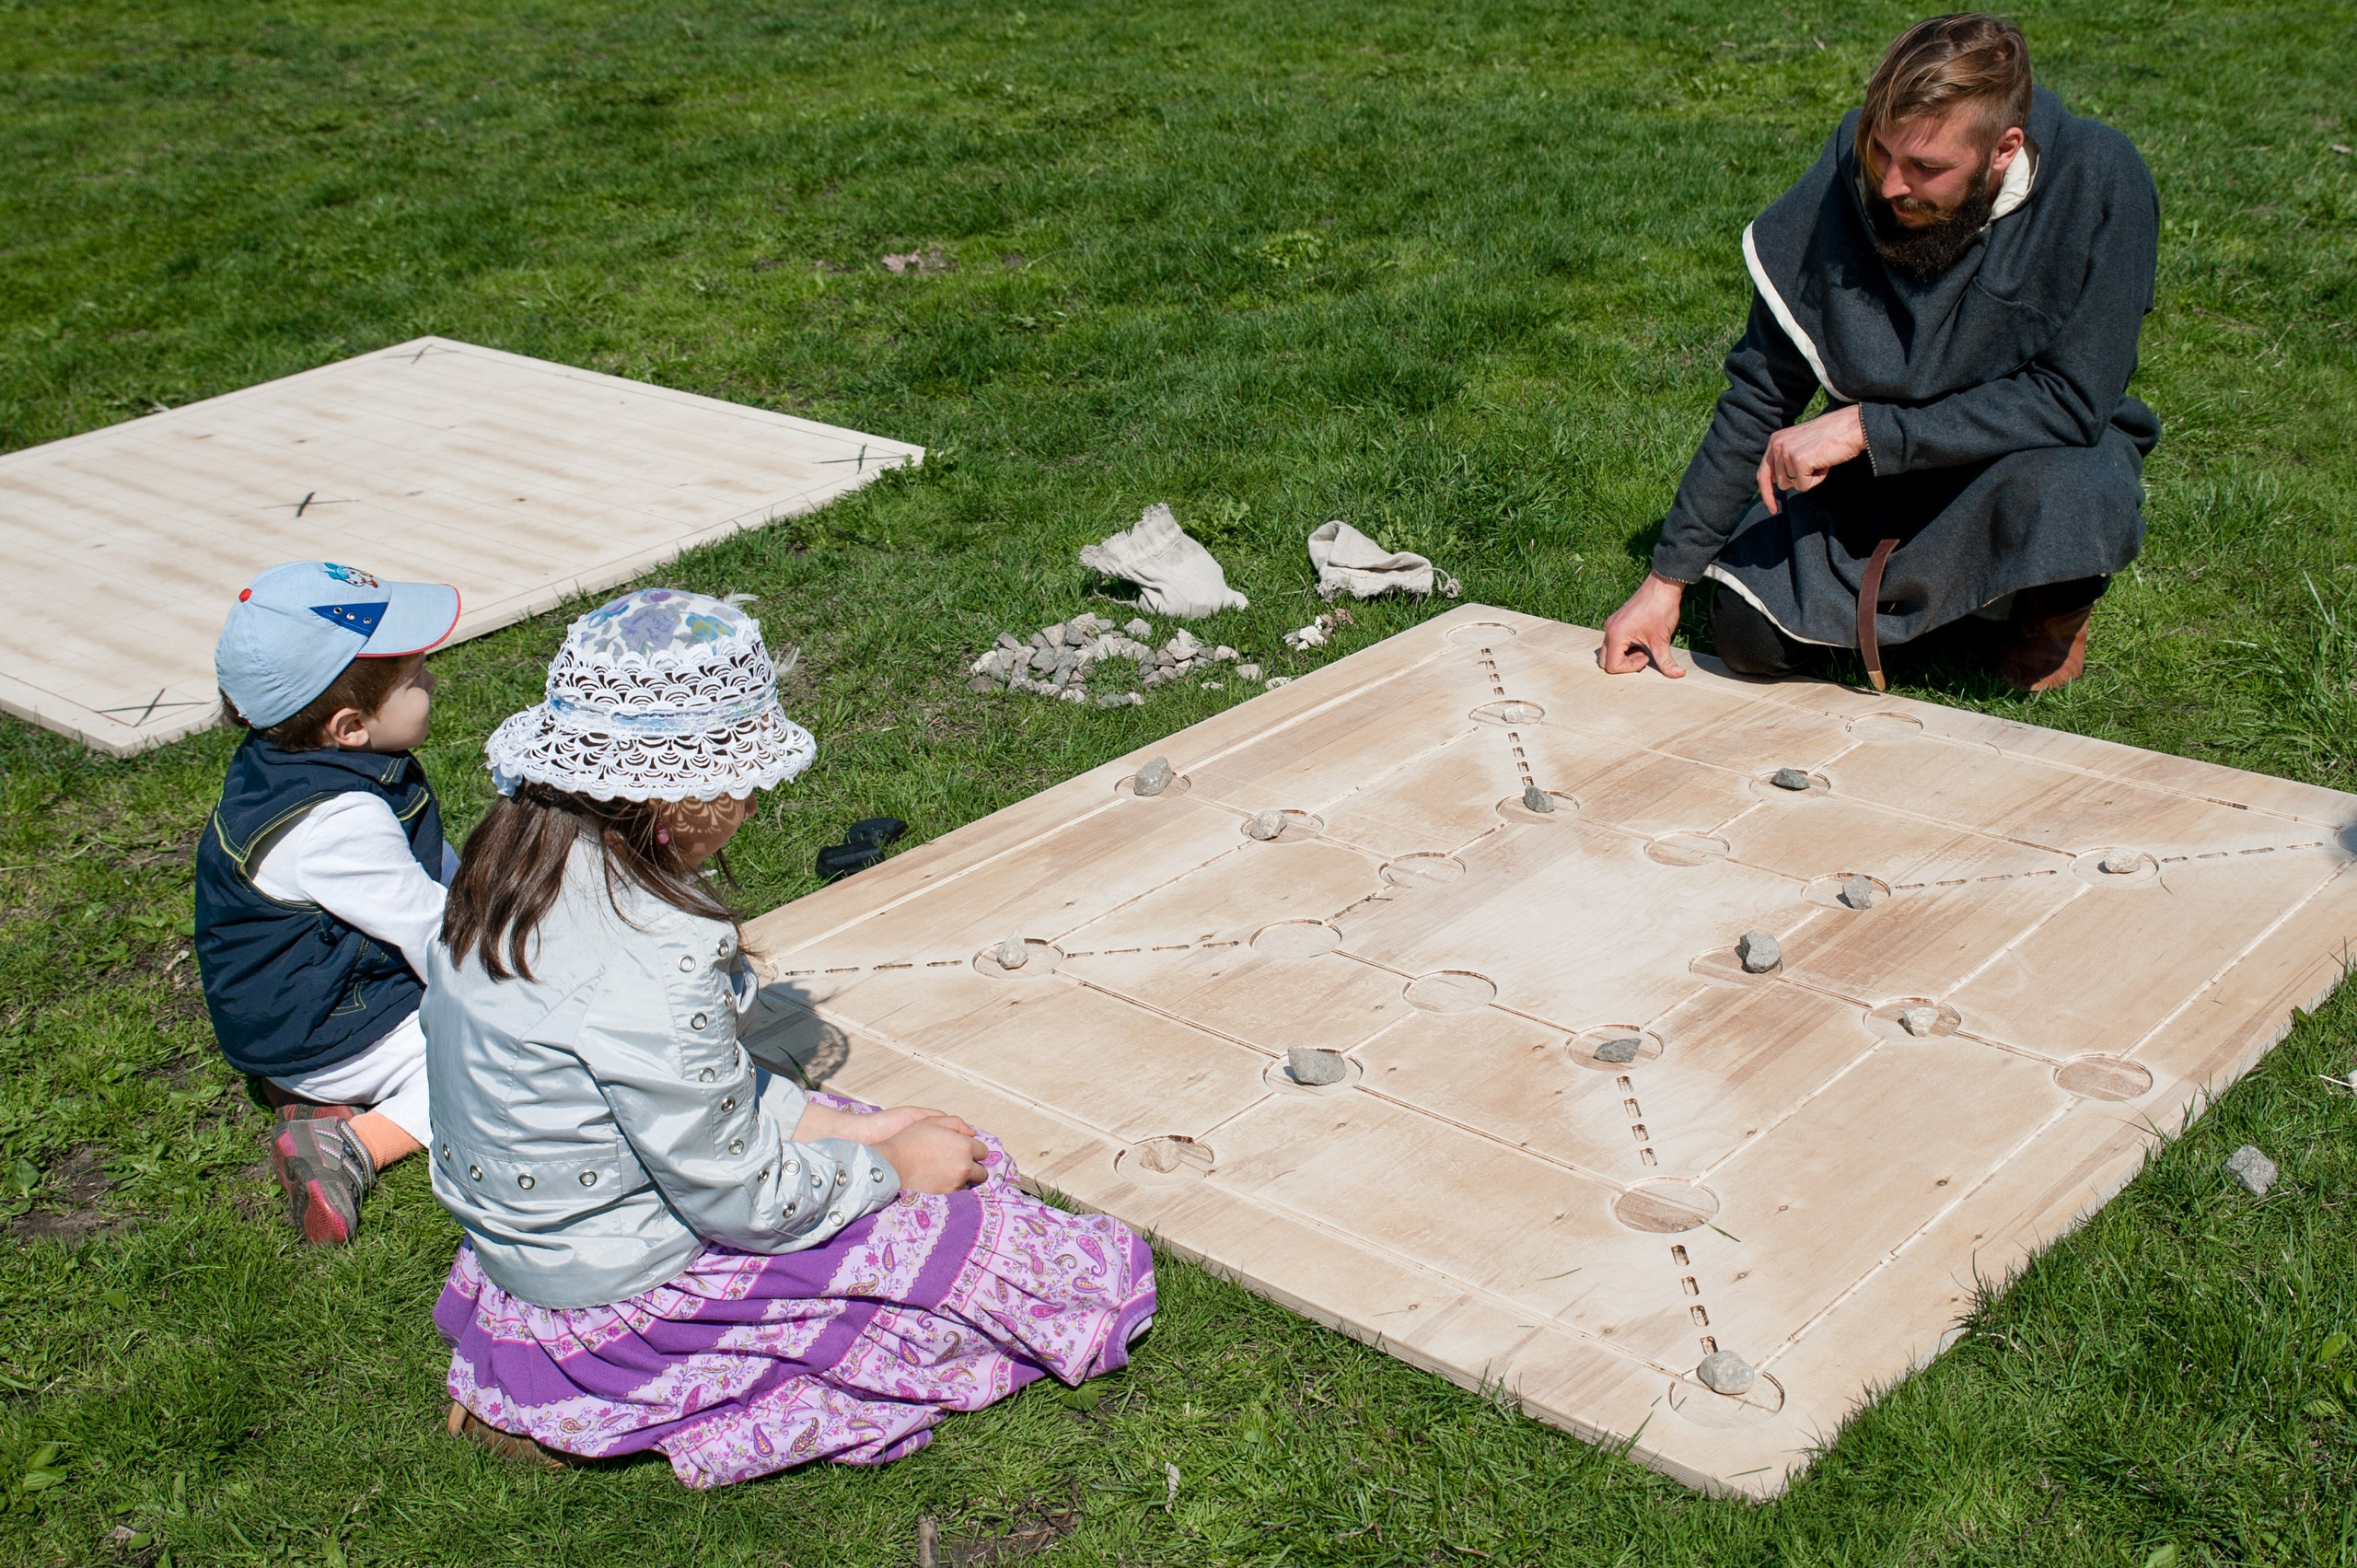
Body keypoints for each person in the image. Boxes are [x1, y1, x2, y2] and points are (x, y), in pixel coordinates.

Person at [424, 588, 1156, 1485]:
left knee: (895, 1132)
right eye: (738, 779)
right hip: (623, 1297)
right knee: (1035, 1260)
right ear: (676, 789)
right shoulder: (653, 957)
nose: (752, 802)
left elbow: (681, 1099)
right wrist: (890, 1168)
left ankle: (527, 1375)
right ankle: (596, 1391)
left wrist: (851, 1128)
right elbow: (745, 1200)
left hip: (536, 1253)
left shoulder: (507, 872)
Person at [1601, 14, 2159, 692]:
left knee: (2083, 487)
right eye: (1880, 151)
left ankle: (2049, 606)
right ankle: (1959, 607)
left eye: (1927, 168)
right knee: (1747, 638)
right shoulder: (1856, 170)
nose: (1892, 185)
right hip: (1881, 475)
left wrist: (1866, 428)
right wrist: (1666, 580)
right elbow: (1761, 391)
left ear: (2004, 149)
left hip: (2024, 458)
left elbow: (2073, 400)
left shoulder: (2100, 176)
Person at [196, 561, 463, 1245]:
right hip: (329, 1026)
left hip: (301, 1008)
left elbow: (432, 871)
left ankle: (307, 1095)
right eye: (415, 677)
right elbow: (430, 932)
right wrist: (519, 997)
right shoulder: (339, 820)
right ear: (349, 726)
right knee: (508, 1059)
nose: (433, 682)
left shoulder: (293, 758)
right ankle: (354, 1143)